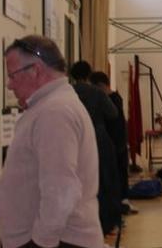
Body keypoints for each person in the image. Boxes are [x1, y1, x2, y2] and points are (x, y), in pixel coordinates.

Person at [0, 36, 103, 248]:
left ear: (35, 70)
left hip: (57, 242)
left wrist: (41, 242)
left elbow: (61, 190)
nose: (9, 85)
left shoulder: (55, 112)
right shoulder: (50, 106)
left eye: (12, 76)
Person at [69, 61, 121, 237]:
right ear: (89, 74)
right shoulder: (96, 92)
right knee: (105, 181)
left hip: (75, 140)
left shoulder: (69, 93)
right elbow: (113, 113)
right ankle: (106, 224)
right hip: (99, 139)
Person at [90, 71, 138, 216]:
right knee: (116, 175)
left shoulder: (112, 100)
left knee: (117, 175)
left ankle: (121, 202)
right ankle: (121, 202)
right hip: (115, 143)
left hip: (116, 144)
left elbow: (116, 125)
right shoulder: (112, 99)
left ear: (101, 85)